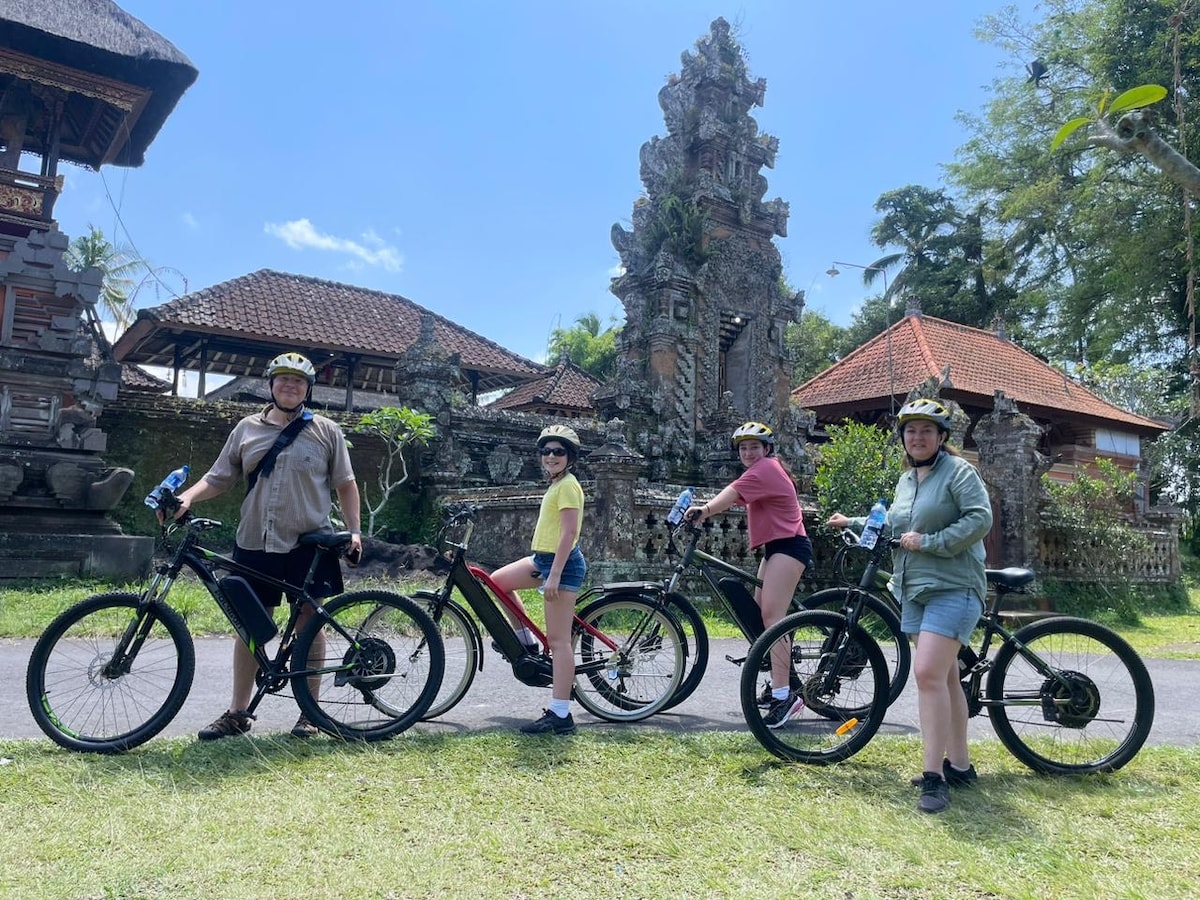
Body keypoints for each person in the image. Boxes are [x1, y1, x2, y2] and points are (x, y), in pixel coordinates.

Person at [169, 352, 363, 740]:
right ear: (271, 385)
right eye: (283, 380)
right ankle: (238, 713)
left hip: (309, 543)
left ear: (308, 389)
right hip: (255, 540)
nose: (290, 386)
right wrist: (187, 497)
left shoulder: (326, 430)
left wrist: (355, 532)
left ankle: (310, 714)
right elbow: (219, 477)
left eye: (298, 382)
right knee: (249, 627)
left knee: (311, 619)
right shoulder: (246, 429)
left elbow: (345, 483)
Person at [826, 398, 992, 814]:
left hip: (954, 586)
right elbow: (895, 525)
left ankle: (934, 777)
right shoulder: (906, 481)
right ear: (903, 438)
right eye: (911, 431)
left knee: (927, 675)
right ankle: (960, 765)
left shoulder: (959, 472)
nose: (918, 437)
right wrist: (855, 522)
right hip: (912, 588)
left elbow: (979, 518)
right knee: (947, 678)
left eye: (926, 431)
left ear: (941, 437)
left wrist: (933, 543)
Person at [686, 421, 814, 729]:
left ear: (767, 449)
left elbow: (731, 494)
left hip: (790, 546)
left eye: (754, 447)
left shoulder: (767, 468)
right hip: (775, 548)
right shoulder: (759, 473)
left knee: (772, 620)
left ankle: (785, 696)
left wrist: (703, 510)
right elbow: (738, 495)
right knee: (761, 619)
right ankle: (783, 680)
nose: (748, 452)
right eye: (743, 448)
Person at [490, 425, 587, 735]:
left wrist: (554, 575)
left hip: (563, 564)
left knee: (559, 642)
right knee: (497, 582)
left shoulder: (569, 485)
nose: (551, 456)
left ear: (570, 457)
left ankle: (561, 714)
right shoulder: (556, 484)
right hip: (543, 559)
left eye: (558, 451)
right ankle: (525, 641)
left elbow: (569, 533)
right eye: (546, 451)